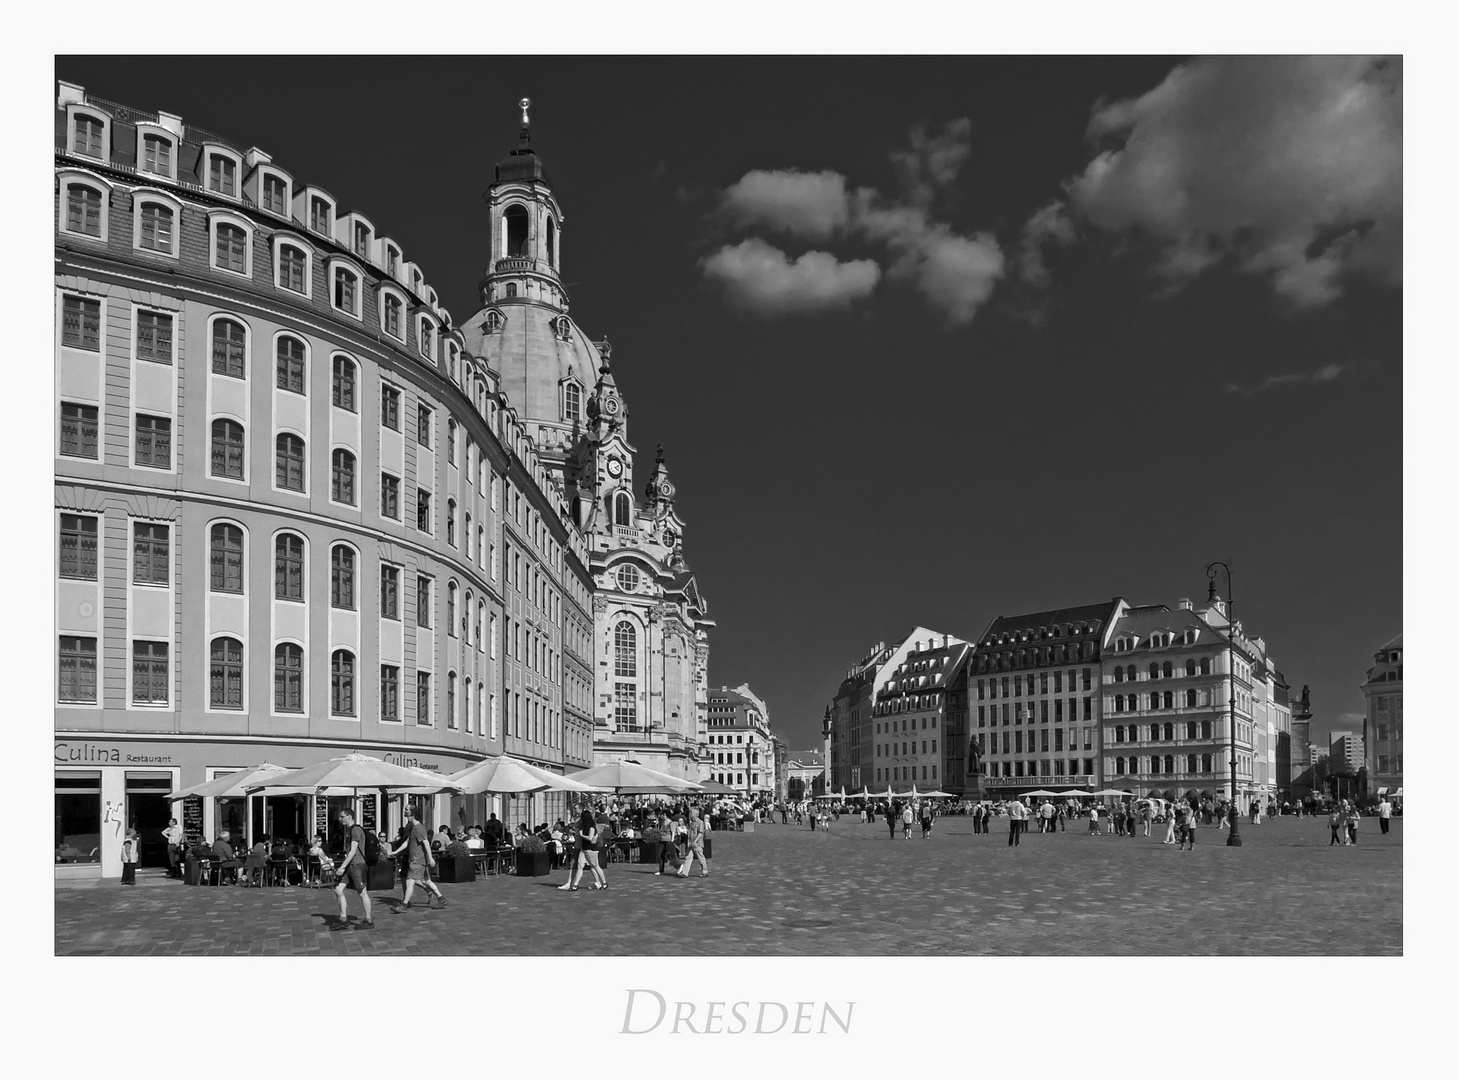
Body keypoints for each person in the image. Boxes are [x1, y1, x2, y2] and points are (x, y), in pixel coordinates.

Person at [389, 807, 447, 909]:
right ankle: (441, 898)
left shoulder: (419, 828)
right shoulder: (412, 827)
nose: (404, 810)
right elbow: (407, 842)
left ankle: (404, 905)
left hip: (417, 860)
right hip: (416, 859)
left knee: (410, 881)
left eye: (407, 809)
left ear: (412, 813)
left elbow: (426, 843)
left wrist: (430, 858)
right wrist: (396, 852)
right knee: (426, 881)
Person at [331, 810, 374, 929]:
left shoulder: (356, 830)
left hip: (357, 865)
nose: (340, 819)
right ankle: (343, 918)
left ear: (349, 817)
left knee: (362, 892)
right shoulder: (348, 830)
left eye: (342, 816)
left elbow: (353, 851)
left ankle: (368, 919)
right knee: (338, 889)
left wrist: (342, 866)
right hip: (350, 865)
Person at [559, 809, 608, 891]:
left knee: (595, 866)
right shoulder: (584, 826)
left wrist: (581, 835)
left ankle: (604, 882)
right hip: (583, 849)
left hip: (591, 849)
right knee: (580, 866)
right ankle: (575, 884)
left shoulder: (591, 827)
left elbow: (590, 838)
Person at [678, 806, 710, 878]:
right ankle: (685, 873)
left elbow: (700, 833)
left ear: (694, 814)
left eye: (690, 813)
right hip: (690, 842)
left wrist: (695, 841)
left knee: (700, 857)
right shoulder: (691, 823)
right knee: (688, 857)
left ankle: (704, 871)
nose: (689, 814)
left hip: (697, 843)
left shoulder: (700, 822)